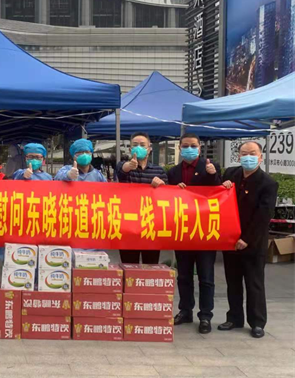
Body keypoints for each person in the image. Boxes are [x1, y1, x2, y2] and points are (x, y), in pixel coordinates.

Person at [219, 141, 278, 339]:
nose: (248, 157)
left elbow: (264, 215)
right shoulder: (231, 174)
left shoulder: (268, 183)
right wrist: (222, 187)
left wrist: (246, 238)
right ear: (238, 156)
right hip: (230, 239)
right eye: (244, 153)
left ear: (260, 157)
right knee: (233, 281)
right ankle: (234, 317)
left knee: (254, 283)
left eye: (252, 153)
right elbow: (218, 198)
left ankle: (257, 322)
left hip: (253, 242)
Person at [167, 133, 221, 334]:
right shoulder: (173, 172)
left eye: (193, 145)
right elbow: (166, 197)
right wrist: (174, 190)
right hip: (182, 231)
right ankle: (185, 310)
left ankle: (205, 315)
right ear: (179, 148)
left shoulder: (210, 167)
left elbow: (220, 191)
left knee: (206, 277)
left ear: (199, 147)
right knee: (184, 275)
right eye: (185, 145)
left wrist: (213, 175)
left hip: (205, 231)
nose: (189, 148)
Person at [116, 132, 168, 264]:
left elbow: (167, 197)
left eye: (142, 145)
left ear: (149, 149)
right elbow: (122, 171)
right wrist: (128, 166)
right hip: (128, 227)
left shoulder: (159, 171)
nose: (138, 147)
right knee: (129, 266)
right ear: (130, 149)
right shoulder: (123, 166)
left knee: (150, 267)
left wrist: (161, 186)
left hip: (151, 226)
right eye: (135, 145)